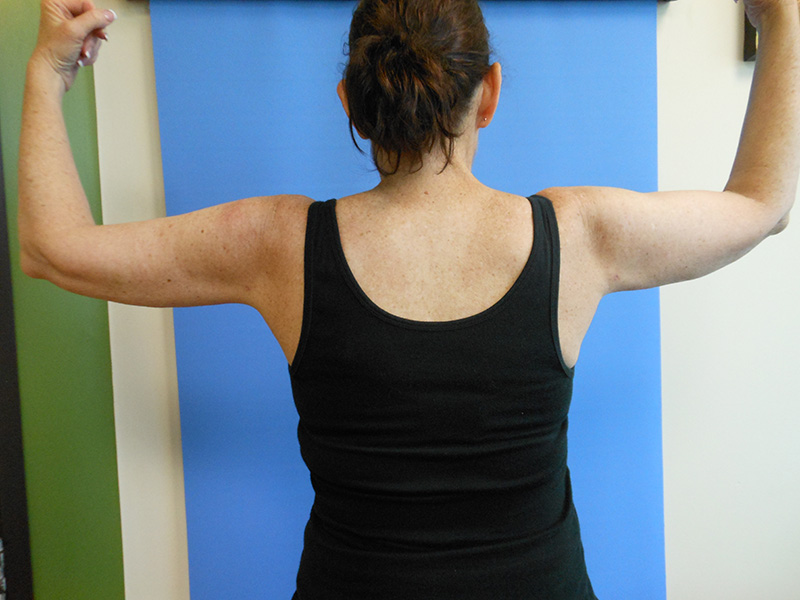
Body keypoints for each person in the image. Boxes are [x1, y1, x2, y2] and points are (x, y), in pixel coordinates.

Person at [18, 0, 800, 598]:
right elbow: (764, 205)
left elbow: (51, 248)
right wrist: (780, 19)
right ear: (488, 93)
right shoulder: (582, 233)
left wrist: (47, 73)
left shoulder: (277, 244)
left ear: (350, 103)